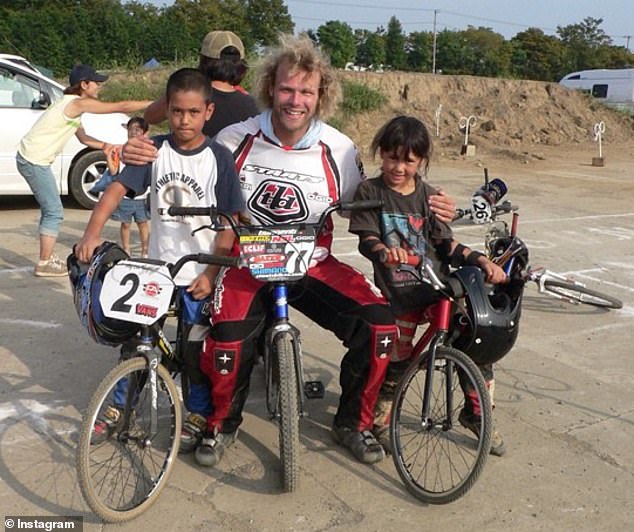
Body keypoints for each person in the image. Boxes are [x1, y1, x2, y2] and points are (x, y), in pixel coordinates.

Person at [122, 35, 457, 468]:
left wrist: (429, 202)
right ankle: (220, 423)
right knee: (225, 342)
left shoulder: (339, 149)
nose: (295, 100)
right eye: (286, 89)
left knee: (378, 327)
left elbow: (382, 193)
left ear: (321, 96)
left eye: (306, 91)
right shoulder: (234, 138)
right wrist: (140, 147)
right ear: (269, 89)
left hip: (311, 263)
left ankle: (353, 422)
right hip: (246, 262)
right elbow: (185, 148)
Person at [75, 68, 244, 438]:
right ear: (166, 109)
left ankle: (197, 412)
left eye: (193, 112)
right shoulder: (153, 152)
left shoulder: (219, 158)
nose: (184, 120)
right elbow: (116, 191)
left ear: (208, 112)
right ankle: (121, 405)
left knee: (195, 348)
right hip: (159, 270)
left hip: (200, 272)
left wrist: (212, 274)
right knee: (138, 341)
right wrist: (91, 233)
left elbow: (230, 220)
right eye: (177, 111)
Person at [348, 115, 508, 456]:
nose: (398, 167)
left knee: (477, 344)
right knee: (399, 360)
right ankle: (381, 419)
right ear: (381, 153)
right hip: (399, 293)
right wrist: (384, 252)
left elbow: (447, 246)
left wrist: (481, 260)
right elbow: (366, 239)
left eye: (409, 160)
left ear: (422, 161)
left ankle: (479, 415)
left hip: (439, 289)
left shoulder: (431, 197)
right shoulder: (370, 191)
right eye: (392, 157)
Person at [16, 64, 152, 277]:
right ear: (83, 85)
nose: (98, 87)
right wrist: (159, 103)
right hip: (33, 160)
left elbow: (83, 138)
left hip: (31, 158)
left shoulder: (70, 106)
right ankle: (45, 262)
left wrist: (106, 145)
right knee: (54, 211)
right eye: (95, 83)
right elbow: (122, 106)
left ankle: (46, 258)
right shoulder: (77, 104)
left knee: (51, 210)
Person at [144, 30, 258, 138]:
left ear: (204, 61)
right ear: (241, 65)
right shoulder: (254, 105)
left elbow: (150, 117)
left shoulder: (187, 93)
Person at [90, 117, 151, 257]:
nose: (134, 132)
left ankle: (145, 251)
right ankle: (126, 249)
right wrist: (109, 160)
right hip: (124, 197)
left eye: (138, 129)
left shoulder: (149, 150)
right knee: (125, 224)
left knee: (143, 223)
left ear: (145, 132)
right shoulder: (120, 151)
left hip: (142, 197)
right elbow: (114, 172)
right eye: (131, 129)